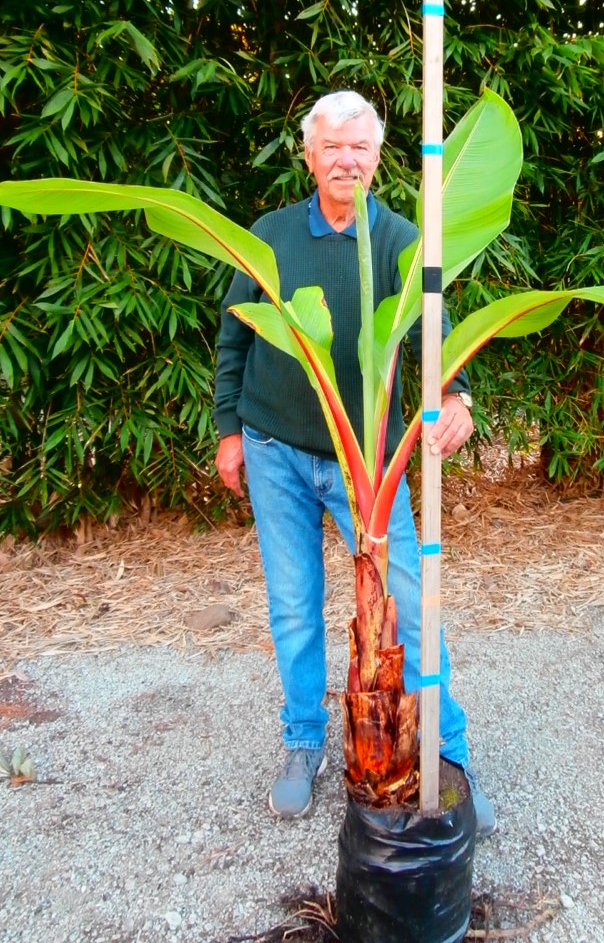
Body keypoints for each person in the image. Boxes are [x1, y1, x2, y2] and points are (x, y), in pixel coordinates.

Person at [213, 90, 495, 837]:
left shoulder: (406, 239)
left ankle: (449, 751)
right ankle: (304, 742)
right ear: (310, 155)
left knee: (407, 598)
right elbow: (234, 337)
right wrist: (228, 430)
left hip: (365, 467)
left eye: (360, 148)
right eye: (333, 146)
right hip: (273, 447)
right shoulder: (269, 237)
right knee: (295, 607)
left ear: (377, 157)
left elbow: (434, 331)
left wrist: (457, 392)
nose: (347, 160)